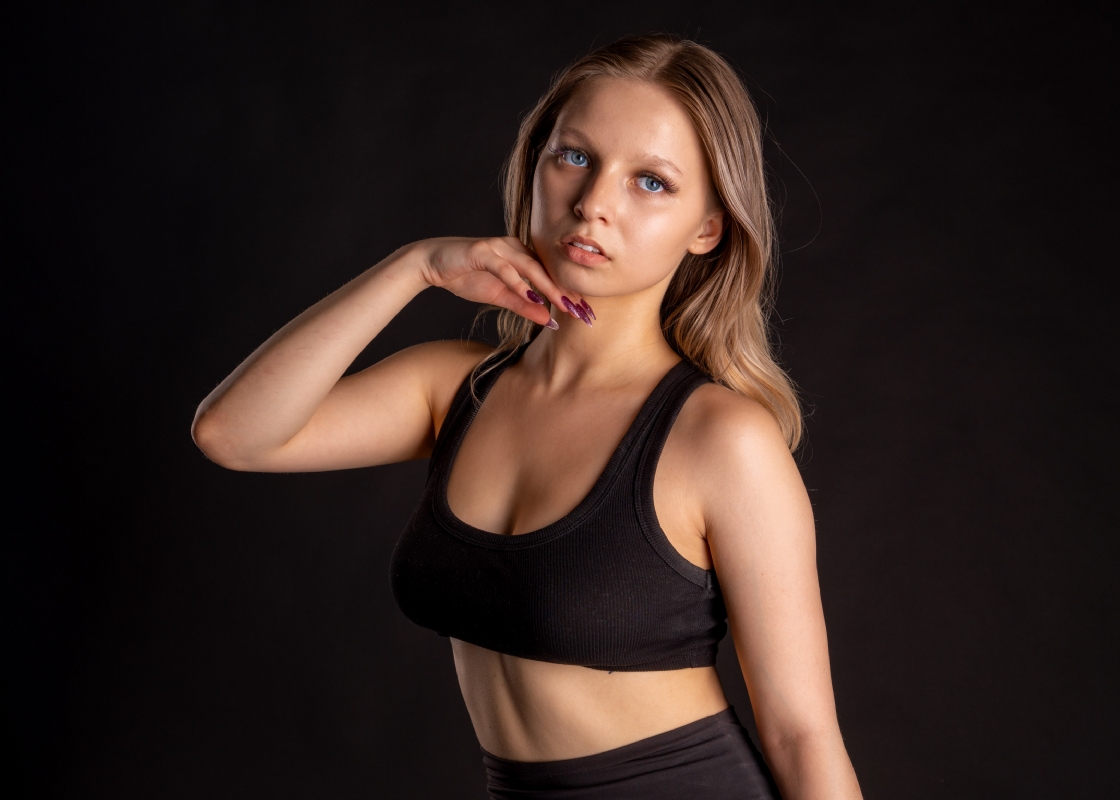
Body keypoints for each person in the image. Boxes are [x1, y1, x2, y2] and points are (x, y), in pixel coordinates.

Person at [192, 33, 862, 800]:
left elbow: (803, 736)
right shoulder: (452, 390)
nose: (594, 203)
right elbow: (231, 434)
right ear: (535, 165)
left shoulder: (719, 439)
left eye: (651, 181)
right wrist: (415, 267)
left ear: (707, 227)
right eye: (574, 157)